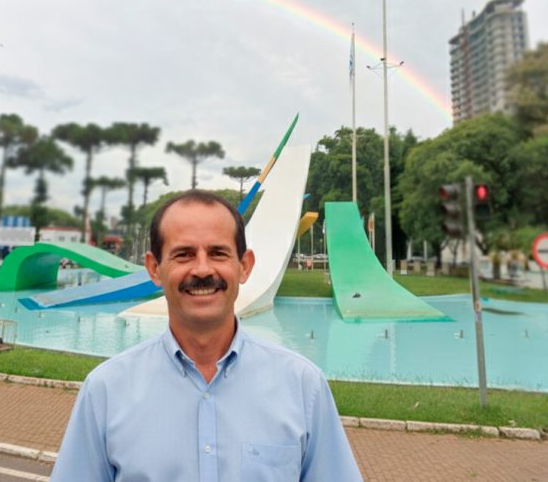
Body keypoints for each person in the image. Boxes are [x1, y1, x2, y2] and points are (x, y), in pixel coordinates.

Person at [51, 191, 361, 481]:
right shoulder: (105, 392)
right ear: (154, 268)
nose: (202, 269)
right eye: (184, 254)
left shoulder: (303, 388)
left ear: (244, 266)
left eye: (217, 253)